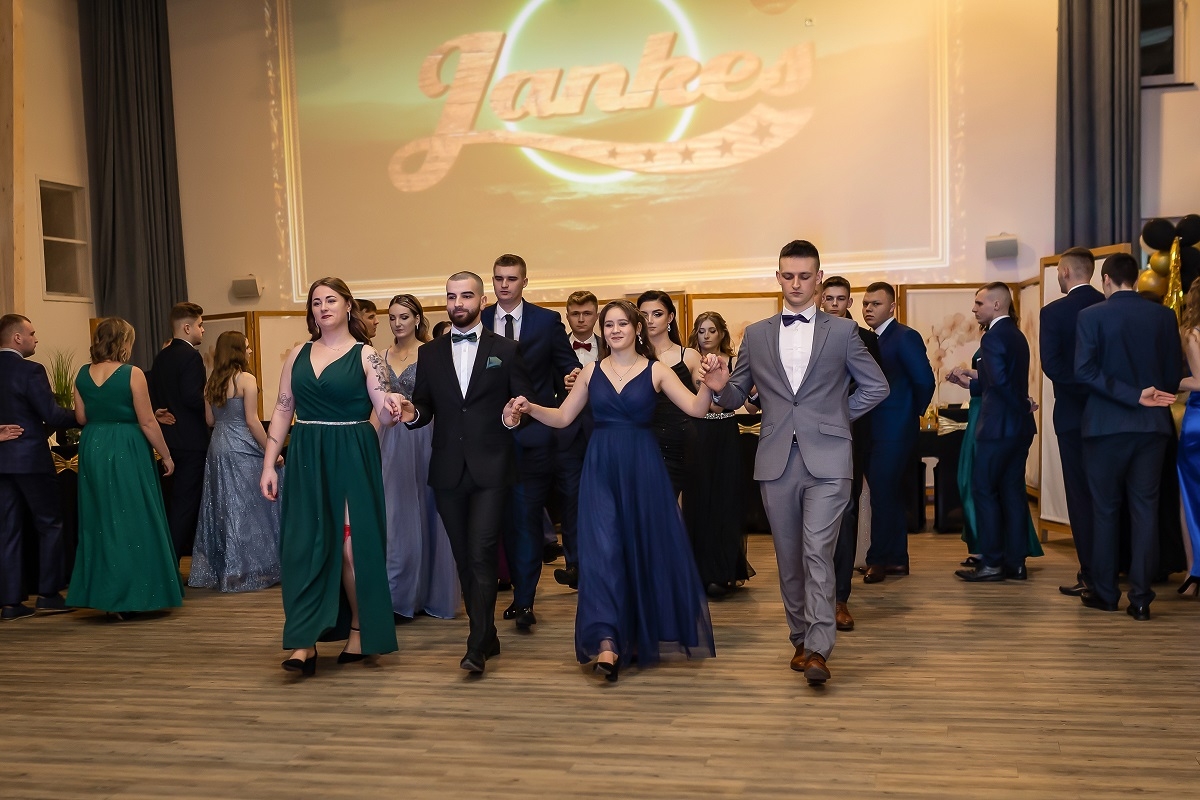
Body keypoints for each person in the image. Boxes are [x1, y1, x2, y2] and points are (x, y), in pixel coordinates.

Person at [702, 240, 889, 687]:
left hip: (829, 460)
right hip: (776, 460)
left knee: (817, 551)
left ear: (818, 278)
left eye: (805, 276)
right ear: (778, 277)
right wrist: (719, 385)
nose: (796, 284)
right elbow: (738, 397)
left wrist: (834, 418)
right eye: (788, 276)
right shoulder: (757, 334)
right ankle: (801, 639)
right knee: (788, 558)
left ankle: (820, 648)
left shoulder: (843, 332)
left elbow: (876, 387)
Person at [510, 300, 718, 682]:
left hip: (643, 469)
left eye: (623, 323)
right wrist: (530, 408)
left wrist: (709, 385)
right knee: (604, 553)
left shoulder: (656, 370)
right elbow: (563, 417)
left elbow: (695, 408)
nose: (615, 330)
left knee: (638, 549)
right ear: (603, 331)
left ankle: (633, 633)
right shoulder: (591, 371)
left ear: (637, 329)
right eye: (609, 325)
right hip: (601, 469)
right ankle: (607, 641)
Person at [260, 277, 405, 676]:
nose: (322, 307)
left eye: (330, 300)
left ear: (347, 306)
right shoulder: (298, 354)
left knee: (351, 550)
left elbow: (383, 405)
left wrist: (393, 403)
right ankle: (302, 641)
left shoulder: (366, 355)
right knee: (304, 547)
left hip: (352, 452)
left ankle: (359, 628)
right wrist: (269, 464)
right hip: (307, 452)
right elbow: (283, 409)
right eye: (316, 302)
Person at [398, 271, 534, 675]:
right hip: (447, 470)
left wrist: (512, 418)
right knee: (463, 557)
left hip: (492, 468)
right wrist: (412, 413)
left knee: (481, 552)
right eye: (452, 297)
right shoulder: (430, 353)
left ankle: (476, 643)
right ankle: (487, 633)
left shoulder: (506, 349)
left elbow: (523, 406)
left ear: (482, 300)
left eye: (466, 296)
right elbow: (425, 407)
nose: (458, 303)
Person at [1074, 254, 1180, 619]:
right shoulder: (1163, 316)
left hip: (1105, 427)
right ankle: (1141, 598)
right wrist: (1146, 395)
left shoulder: (1090, 316)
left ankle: (1105, 593)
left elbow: (1084, 371)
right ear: (1135, 279)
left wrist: (1132, 395)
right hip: (1152, 427)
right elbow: (1171, 375)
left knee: (1105, 511)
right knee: (1145, 511)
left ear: (1105, 279)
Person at [480, 254, 581, 630]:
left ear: (525, 281)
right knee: (499, 521)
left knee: (524, 520)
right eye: (498, 278)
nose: (504, 285)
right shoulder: (479, 320)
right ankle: (513, 593)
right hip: (488, 438)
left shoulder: (546, 321)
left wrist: (572, 376)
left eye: (511, 278)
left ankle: (524, 601)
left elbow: (567, 365)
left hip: (534, 437)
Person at [67, 318, 183, 617]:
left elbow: (81, 418)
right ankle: (132, 595)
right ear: (123, 342)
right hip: (126, 447)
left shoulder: (82, 373)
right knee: (133, 516)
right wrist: (166, 455)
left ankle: (106, 596)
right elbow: (147, 421)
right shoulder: (132, 373)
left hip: (93, 445)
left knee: (100, 520)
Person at [950, 284, 1038, 582]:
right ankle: (1016, 563)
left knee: (984, 491)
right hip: (1019, 428)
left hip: (998, 427)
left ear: (997, 304)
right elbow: (999, 380)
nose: (974, 308)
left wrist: (1023, 403)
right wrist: (972, 383)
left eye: (979, 303)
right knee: (1012, 493)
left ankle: (992, 563)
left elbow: (1000, 384)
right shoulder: (1016, 334)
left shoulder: (993, 336)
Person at [380, 294, 459, 621]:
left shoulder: (432, 353)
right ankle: (397, 597)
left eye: (404, 317)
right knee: (395, 516)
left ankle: (428, 594)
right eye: (392, 317)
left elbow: (444, 400)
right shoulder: (380, 356)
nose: (397, 323)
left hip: (424, 435)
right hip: (388, 439)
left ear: (417, 319)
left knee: (428, 513)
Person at [0, 314, 80, 620]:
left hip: (2, 462)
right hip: (30, 460)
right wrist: (85, 415)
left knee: (7, 530)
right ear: (17, 338)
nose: (36, 338)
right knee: (50, 524)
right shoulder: (30, 370)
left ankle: (10, 603)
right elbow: (53, 415)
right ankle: (48, 595)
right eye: (32, 333)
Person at [188, 331, 282, 592]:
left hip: (218, 446)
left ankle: (228, 568)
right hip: (242, 447)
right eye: (247, 347)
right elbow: (252, 421)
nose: (250, 351)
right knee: (249, 508)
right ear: (238, 351)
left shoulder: (211, 382)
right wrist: (271, 449)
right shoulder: (246, 379)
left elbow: (210, 420)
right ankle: (249, 567)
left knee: (224, 508)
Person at [859, 282, 935, 583]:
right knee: (886, 495)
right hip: (871, 429)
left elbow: (925, 381)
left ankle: (879, 560)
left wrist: (908, 414)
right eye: (865, 304)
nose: (868, 309)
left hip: (894, 429)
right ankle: (897, 560)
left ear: (892, 307)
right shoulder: (867, 339)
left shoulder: (904, 336)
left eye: (875, 304)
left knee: (882, 494)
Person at [1039, 247, 1104, 596]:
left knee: (1080, 497)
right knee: (1110, 495)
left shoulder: (1053, 312)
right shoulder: (1107, 305)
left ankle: (1091, 574)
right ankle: (1113, 568)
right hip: (1111, 413)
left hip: (1072, 416)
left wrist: (1082, 388)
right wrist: (1102, 390)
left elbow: (1052, 365)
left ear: (1064, 271)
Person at [819, 276, 881, 631]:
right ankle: (815, 597)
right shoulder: (805, 336)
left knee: (846, 513)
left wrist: (839, 410)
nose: (833, 304)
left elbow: (874, 385)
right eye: (828, 298)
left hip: (850, 435)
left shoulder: (866, 339)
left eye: (840, 299)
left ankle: (840, 598)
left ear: (849, 302)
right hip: (807, 438)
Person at [684, 311, 754, 598]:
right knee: (698, 499)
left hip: (725, 432)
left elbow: (733, 404)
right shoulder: (691, 361)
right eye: (701, 330)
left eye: (712, 330)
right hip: (697, 433)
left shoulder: (734, 363)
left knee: (726, 499)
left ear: (722, 333)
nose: (706, 336)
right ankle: (698, 570)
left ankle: (724, 570)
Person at [149, 301, 208, 569]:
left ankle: (164, 561)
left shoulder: (161, 357)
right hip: (192, 441)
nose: (202, 330)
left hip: (167, 440)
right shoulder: (191, 357)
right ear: (186, 327)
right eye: (200, 325)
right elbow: (191, 397)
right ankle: (170, 565)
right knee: (186, 506)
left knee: (171, 504)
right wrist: (214, 400)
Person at [554, 290, 601, 590]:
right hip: (567, 434)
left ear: (596, 315)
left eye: (587, 313)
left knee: (604, 500)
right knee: (571, 501)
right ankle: (575, 565)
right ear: (568, 316)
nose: (581, 319)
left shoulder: (612, 345)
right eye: (575, 314)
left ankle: (603, 562)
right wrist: (560, 385)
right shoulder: (554, 347)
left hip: (603, 432)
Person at [638, 290, 700, 499]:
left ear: (670, 317)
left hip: (680, 441)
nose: (650, 320)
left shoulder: (689, 356)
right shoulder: (632, 358)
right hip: (643, 440)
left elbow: (710, 403)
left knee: (677, 504)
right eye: (644, 315)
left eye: (657, 314)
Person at [1176, 279, 1200, 597]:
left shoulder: (1194, 333)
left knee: (1190, 496)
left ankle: (1194, 572)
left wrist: (1171, 380)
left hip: (1198, 421)